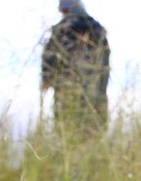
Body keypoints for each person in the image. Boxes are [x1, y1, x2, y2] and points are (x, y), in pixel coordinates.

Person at [42, 0, 111, 138]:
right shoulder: (97, 29)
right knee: (93, 133)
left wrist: (46, 80)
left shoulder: (61, 30)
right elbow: (105, 66)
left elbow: (49, 60)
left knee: (66, 132)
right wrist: (101, 88)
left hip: (66, 91)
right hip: (94, 91)